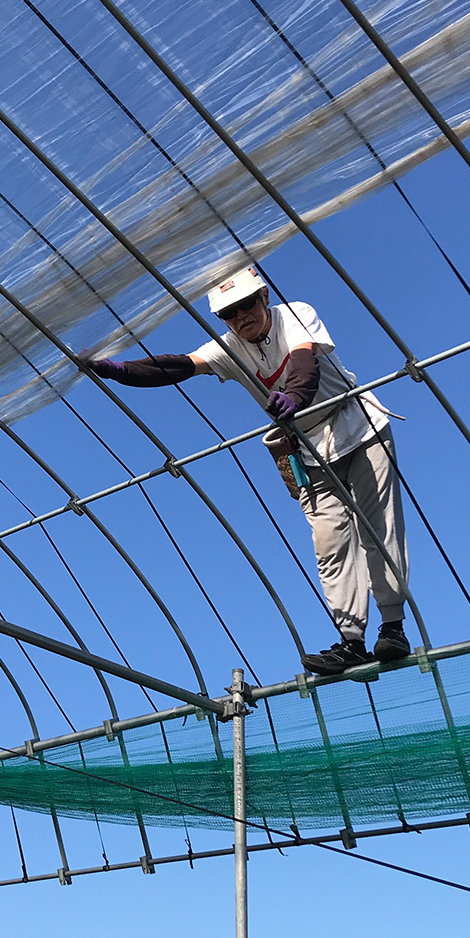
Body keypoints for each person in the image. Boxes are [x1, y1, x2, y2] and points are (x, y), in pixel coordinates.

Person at [87, 265, 410, 676]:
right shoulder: (229, 346)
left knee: (378, 528)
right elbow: (178, 367)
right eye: (229, 313)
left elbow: (303, 363)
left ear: (264, 298)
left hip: (358, 427)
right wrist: (119, 371)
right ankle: (351, 642)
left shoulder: (296, 314)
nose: (240, 318)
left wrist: (293, 397)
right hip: (310, 449)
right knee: (329, 541)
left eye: (245, 305)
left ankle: (393, 627)